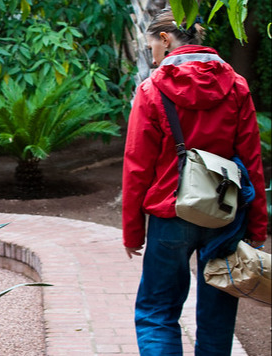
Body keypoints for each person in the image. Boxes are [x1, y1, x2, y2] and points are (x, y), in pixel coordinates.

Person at [122, 8, 268, 356]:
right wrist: (258, 225)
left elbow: (137, 166)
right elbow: (251, 160)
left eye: (152, 46)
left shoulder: (152, 89)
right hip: (225, 212)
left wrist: (132, 231)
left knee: (158, 311)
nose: (152, 55)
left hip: (171, 212)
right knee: (218, 313)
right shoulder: (236, 85)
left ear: (165, 38)